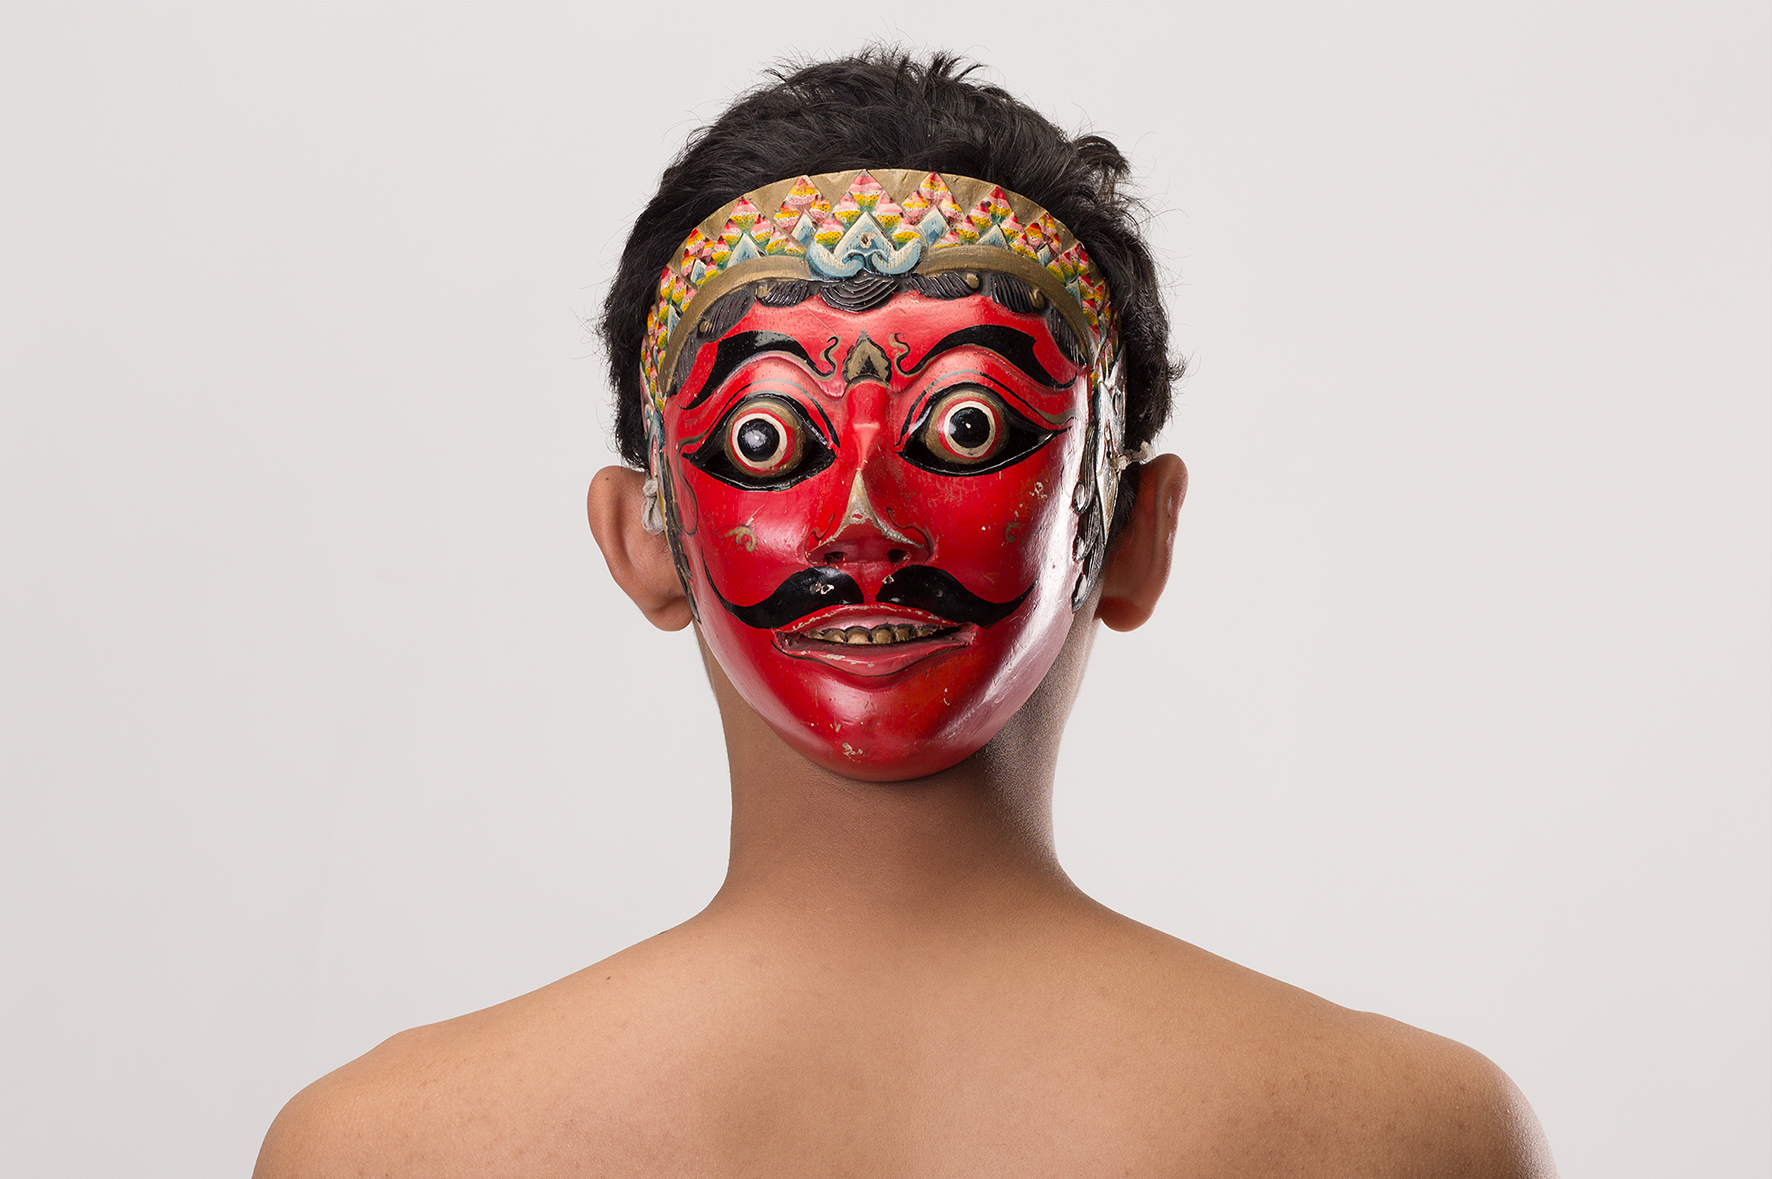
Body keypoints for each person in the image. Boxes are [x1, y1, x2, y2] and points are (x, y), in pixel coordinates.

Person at [255, 51, 1556, 1177]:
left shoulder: (381, 1149)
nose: (865, 525)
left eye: (967, 427)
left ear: (1128, 528)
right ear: (647, 536)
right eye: (767, 439)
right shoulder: (1406, 1136)